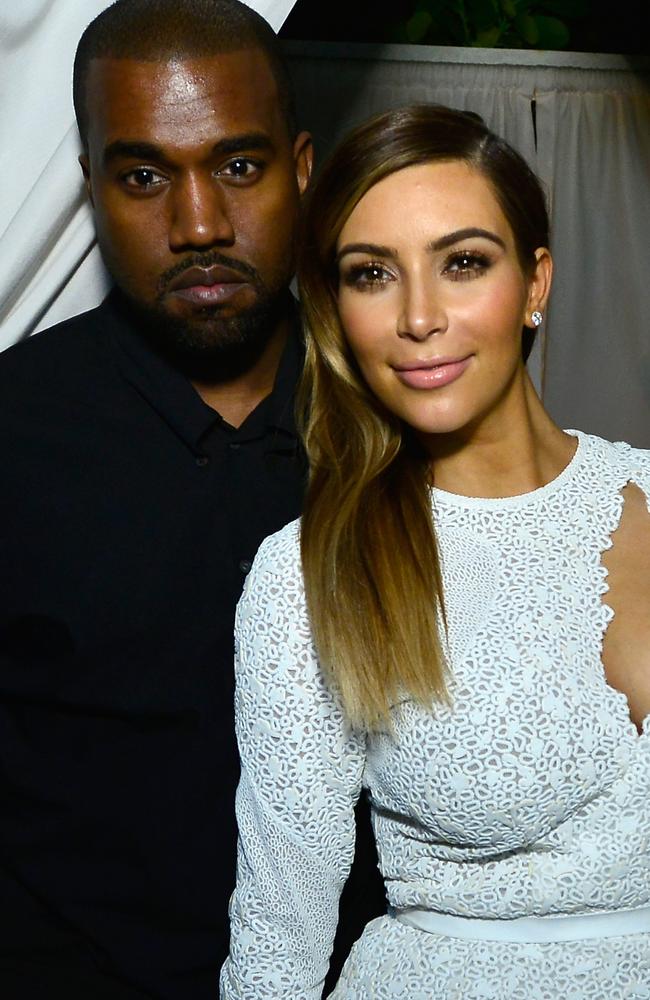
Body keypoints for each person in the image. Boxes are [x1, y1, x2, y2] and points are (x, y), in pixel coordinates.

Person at [221, 104, 650, 998]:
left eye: (462, 263)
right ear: (338, 310)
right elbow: (278, 942)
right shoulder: (313, 575)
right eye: (372, 274)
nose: (419, 317)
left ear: (536, 283)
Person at [0, 2, 384, 998]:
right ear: (91, 192)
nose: (199, 223)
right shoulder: (16, 429)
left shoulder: (405, 421)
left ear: (302, 171)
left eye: (239, 167)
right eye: (142, 177)